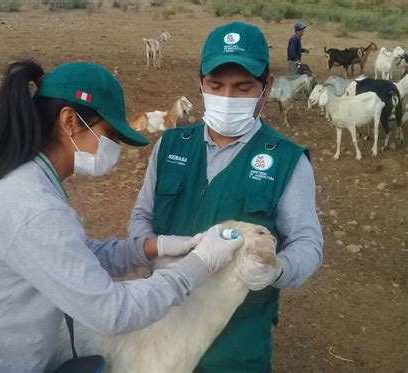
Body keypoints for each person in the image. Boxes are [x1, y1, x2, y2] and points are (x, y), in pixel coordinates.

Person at [0, 60, 244, 372]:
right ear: (69, 120)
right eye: (109, 134)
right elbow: (112, 311)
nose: (114, 148)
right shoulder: (30, 206)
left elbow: (70, 256)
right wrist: (197, 266)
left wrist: (152, 247)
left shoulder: (25, 182)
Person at [128, 21, 323, 372]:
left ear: (267, 88)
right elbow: (141, 217)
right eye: (216, 86)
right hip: (157, 333)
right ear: (200, 82)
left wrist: (276, 270)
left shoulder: (286, 161)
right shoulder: (170, 145)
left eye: (243, 87)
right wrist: (155, 251)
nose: (228, 98)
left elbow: (308, 243)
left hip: (235, 349)